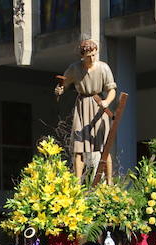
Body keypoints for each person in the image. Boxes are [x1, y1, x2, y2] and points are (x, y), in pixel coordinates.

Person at [54, 39, 117, 182]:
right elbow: (64, 84)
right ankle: (77, 184)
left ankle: (109, 184)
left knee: (104, 147)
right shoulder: (74, 68)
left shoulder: (103, 68)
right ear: (82, 55)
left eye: (94, 55)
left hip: (98, 105)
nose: (92, 58)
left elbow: (111, 89)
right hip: (82, 107)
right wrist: (59, 90)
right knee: (78, 148)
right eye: (89, 56)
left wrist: (107, 101)